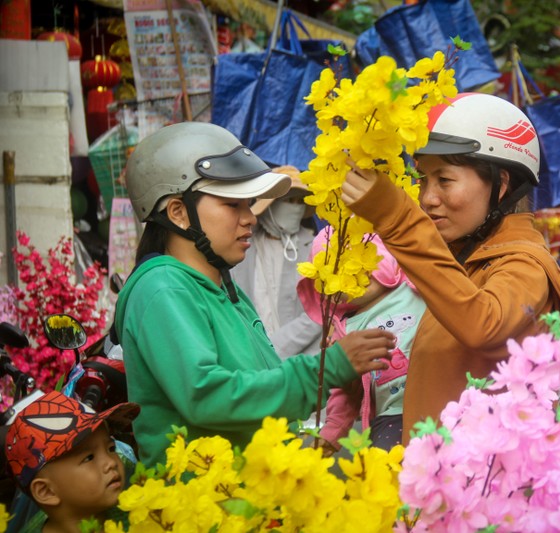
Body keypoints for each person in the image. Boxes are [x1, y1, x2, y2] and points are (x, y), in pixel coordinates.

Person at [116, 122, 395, 466]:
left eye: (248, 205)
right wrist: (326, 370)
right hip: (199, 508)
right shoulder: (163, 288)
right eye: (233, 205)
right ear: (178, 212)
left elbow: (256, 395)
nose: (250, 219)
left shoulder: (223, 288)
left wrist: (299, 441)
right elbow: (207, 396)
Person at [341, 93, 560, 444]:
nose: (427, 198)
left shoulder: (523, 264)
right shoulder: (466, 261)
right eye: (424, 180)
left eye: (444, 179)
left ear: (501, 185)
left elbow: (483, 324)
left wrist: (398, 219)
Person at [297, 230, 426, 452]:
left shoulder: (417, 286)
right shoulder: (346, 332)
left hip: (445, 400)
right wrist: (331, 434)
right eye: (340, 271)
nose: (355, 275)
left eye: (360, 263)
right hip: (394, 417)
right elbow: (346, 393)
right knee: (387, 476)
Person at [4, 391, 140, 533]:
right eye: (89, 458)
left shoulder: (142, 515)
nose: (111, 462)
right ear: (46, 491)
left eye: (111, 448)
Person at [231, 165, 322, 358]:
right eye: (289, 200)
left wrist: (274, 349)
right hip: (248, 356)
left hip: (302, 361)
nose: (295, 207)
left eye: (300, 201)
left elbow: (318, 312)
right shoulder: (240, 246)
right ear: (271, 204)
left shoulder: (315, 248)